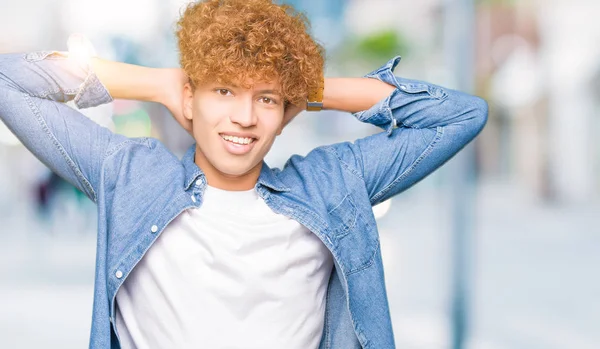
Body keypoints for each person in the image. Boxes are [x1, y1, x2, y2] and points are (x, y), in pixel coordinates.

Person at [0, 0, 488, 348]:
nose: (245, 118)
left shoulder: (331, 185)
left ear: (286, 111)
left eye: (267, 99)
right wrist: (158, 83)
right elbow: (9, 81)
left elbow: (462, 115)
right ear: (191, 98)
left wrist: (310, 88)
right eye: (224, 92)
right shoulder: (129, 175)